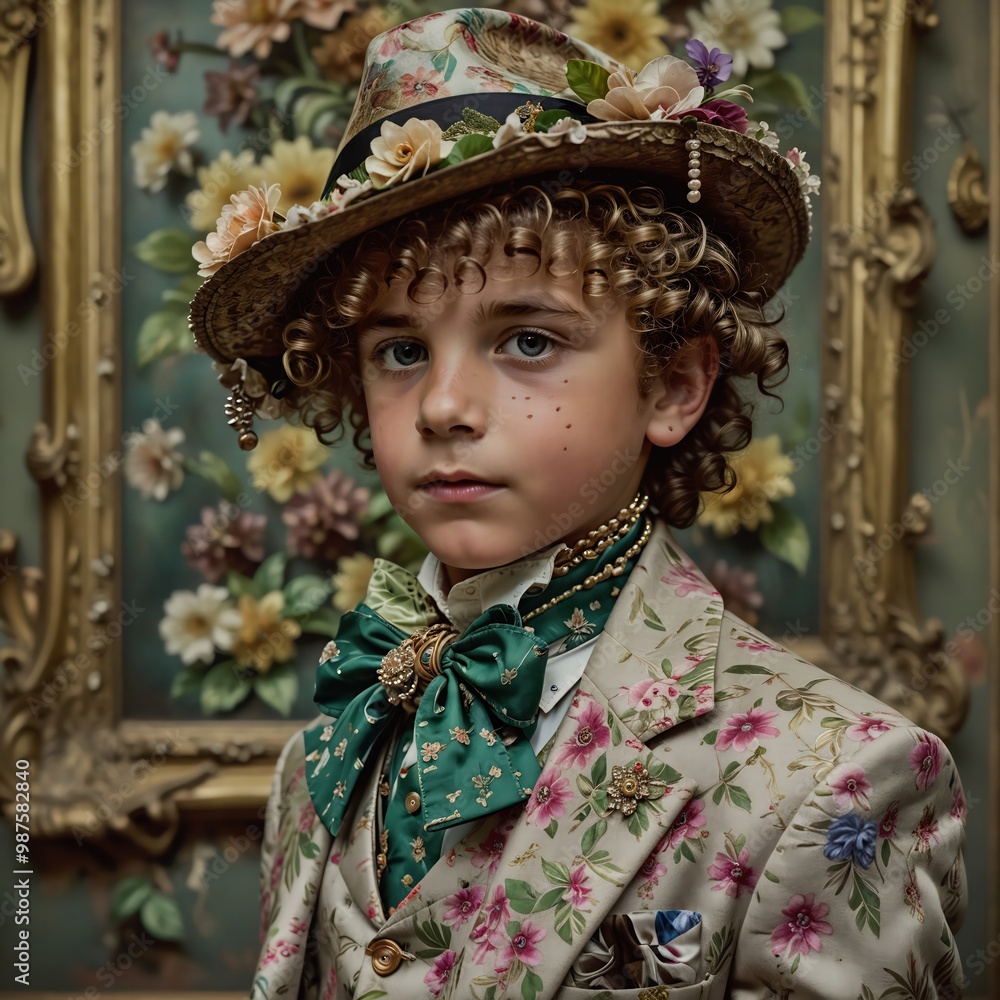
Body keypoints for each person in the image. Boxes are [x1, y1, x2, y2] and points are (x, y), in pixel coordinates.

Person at [187, 8, 968, 999]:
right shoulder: (320, 760)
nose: (442, 406)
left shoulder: (832, 777)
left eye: (528, 341)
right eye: (400, 350)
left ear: (673, 384)